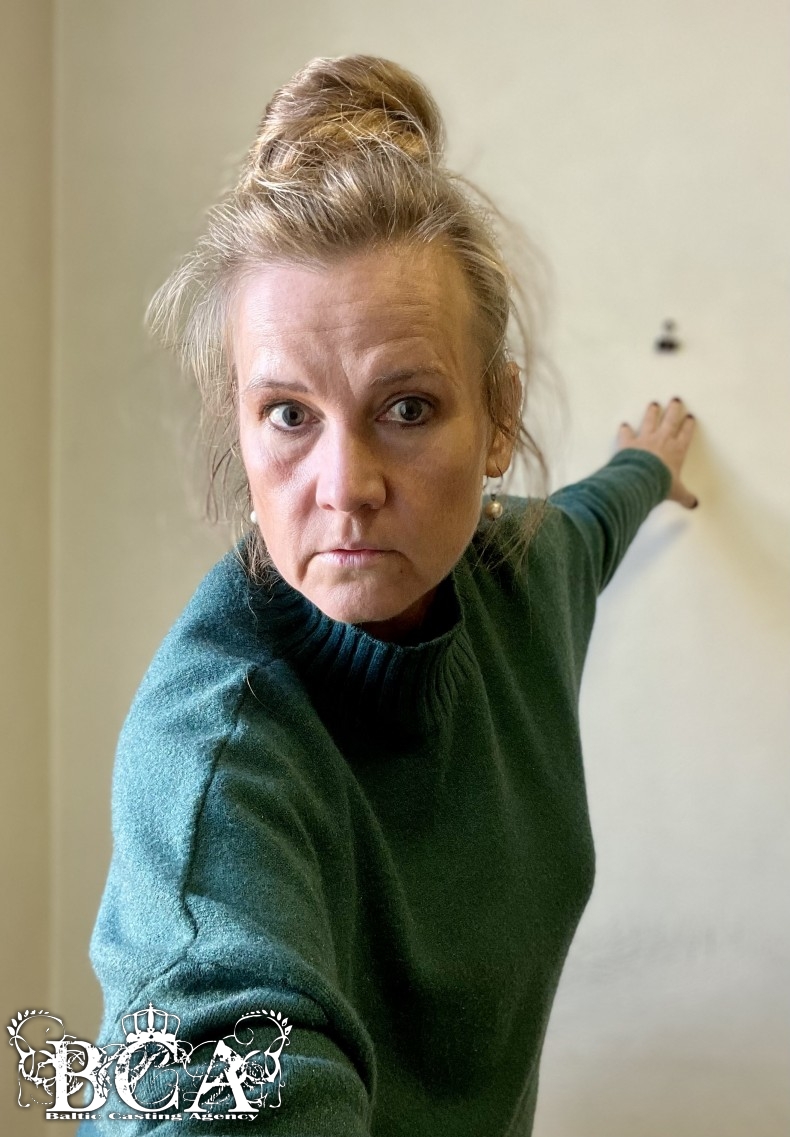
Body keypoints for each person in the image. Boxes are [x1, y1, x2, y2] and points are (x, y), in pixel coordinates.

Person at [79, 54, 697, 1136]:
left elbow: (595, 517)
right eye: (288, 414)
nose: (346, 487)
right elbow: (214, 1062)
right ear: (239, 426)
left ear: (498, 420)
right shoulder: (216, 761)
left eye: (406, 408)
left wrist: (648, 461)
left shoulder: (526, 574)